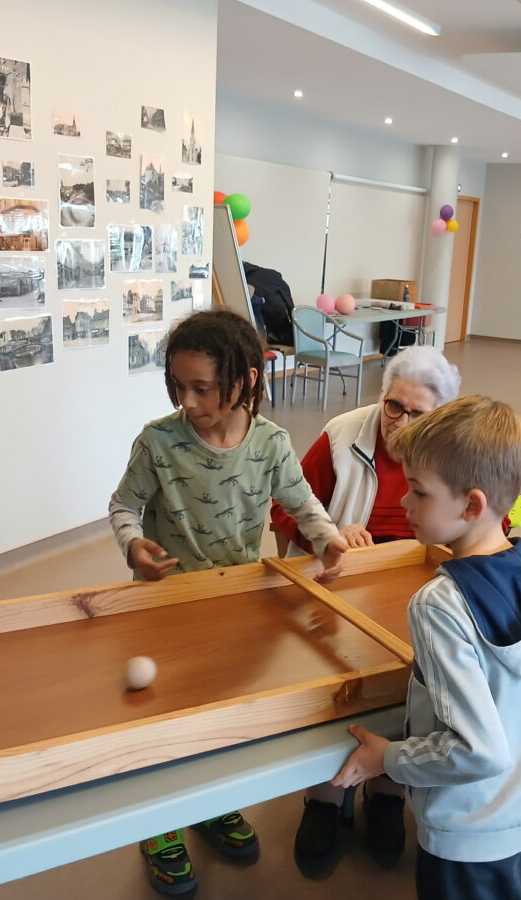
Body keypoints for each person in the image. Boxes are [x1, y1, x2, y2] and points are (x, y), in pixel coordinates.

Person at [330, 396, 521, 900]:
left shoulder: (438, 604)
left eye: (418, 491)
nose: (403, 503)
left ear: (471, 505)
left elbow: (479, 750)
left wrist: (390, 758)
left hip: (465, 845)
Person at [109, 309, 348, 897]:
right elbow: (123, 506)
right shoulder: (158, 442)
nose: (187, 402)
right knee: (167, 721)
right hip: (167, 607)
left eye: (202, 388)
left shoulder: (271, 443)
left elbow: (302, 502)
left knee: (224, 714)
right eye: (178, 387)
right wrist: (134, 545)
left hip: (239, 603)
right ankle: (160, 825)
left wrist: (327, 539)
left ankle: (211, 803)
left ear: (244, 380)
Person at [274, 345, 461, 875]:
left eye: (418, 412)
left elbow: (492, 522)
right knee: (337, 682)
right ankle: (326, 795)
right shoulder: (342, 434)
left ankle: (388, 789)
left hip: (423, 591)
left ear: (441, 415)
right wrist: (331, 535)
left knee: (418, 683)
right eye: (393, 405)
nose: (401, 421)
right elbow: (284, 506)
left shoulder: (454, 448)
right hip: (343, 588)